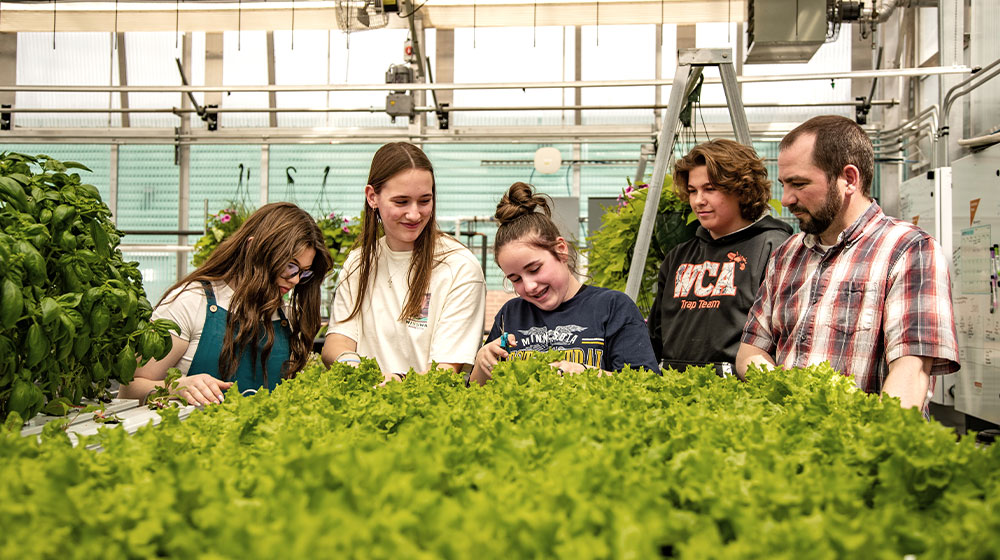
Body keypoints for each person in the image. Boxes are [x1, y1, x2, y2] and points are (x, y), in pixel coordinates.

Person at [736, 115, 960, 410]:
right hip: (788, 443)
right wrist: (789, 397)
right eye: (783, 184)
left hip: (860, 447)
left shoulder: (908, 250)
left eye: (798, 183)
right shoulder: (787, 254)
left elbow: (911, 371)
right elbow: (750, 351)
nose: (787, 199)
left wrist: (876, 437)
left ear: (849, 179)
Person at [120, 202, 333, 405]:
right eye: (290, 266)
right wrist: (175, 387)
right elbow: (129, 391)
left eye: (304, 273)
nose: (295, 280)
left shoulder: (287, 317)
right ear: (253, 248)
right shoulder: (191, 301)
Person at [320, 142, 486, 381]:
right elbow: (338, 340)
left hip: (431, 413)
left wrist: (392, 383)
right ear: (372, 197)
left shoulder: (458, 266)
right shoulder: (359, 263)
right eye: (401, 202)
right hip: (364, 407)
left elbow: (445, 370)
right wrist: (357, 370)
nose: (414, 214)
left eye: (424, 200)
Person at [471, 182, 658, 385]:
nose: (529, 285)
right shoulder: (511, 314)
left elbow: (646, 385)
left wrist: (586, 373)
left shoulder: (613, 307)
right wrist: (482, 361)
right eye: (515, 279)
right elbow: (474, 392)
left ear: (561, 249)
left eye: (534, 269)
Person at [648, 139, 792, 376]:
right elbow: (655, 334)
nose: (698, 201)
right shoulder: (679, 256)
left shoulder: (774, 247)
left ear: (741, 188)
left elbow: (784, 335)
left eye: (710, 189)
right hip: (672, 391)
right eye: (693, 191)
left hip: (742, 398)